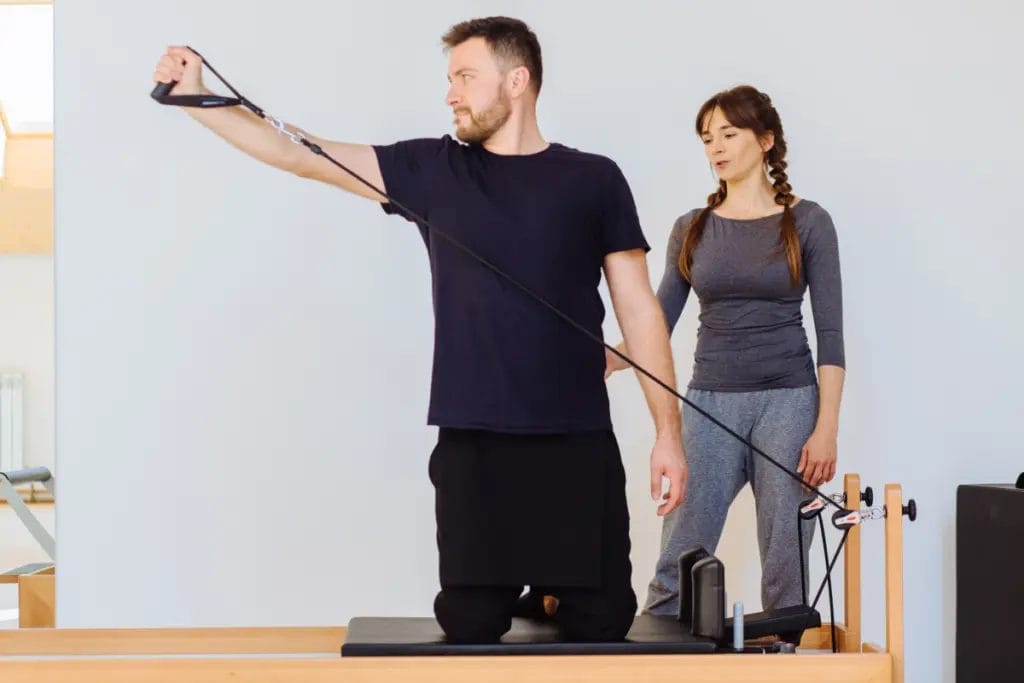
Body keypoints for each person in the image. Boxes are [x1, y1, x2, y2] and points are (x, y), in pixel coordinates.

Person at [152, 16, 688, 643]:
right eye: (450, 78)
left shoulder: (595, 179)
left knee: (602, 620)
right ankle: (523, 585)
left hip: (574, 436)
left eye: (466, 76)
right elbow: (298, 153)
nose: (451, 92)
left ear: (516, 81)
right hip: (474, 441)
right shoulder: (434, 170)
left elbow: (639, 310)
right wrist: (194, 99)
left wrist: (667, 434)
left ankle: (546, 589)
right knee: (470, 620)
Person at [606, 85, 845, 618]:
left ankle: (787, 659)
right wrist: (607, 360)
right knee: (681, 546)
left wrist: (826, 426)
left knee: (787, 556)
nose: (715, 147)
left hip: (789, 401)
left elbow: (831, 333)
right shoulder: (692, 228)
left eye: (729, 135)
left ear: (765, 141)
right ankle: (657, 654)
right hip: (709, 402)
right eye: (707, 138)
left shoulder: (809, 222)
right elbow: (658, 321)